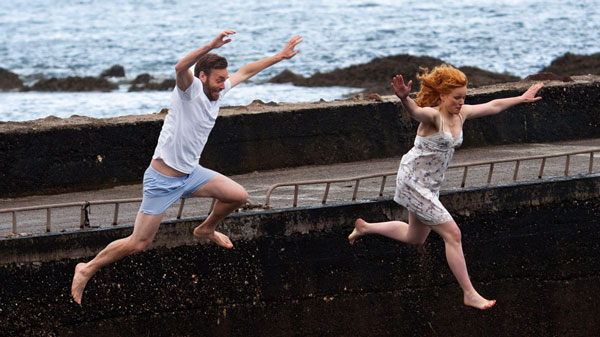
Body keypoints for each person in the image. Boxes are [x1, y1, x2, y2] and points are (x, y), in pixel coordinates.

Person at [71, 30, 303, 305]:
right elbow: (180, 67)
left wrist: (280, 56)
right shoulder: (188, 91)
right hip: (163, 179)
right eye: (218, 80)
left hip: (192, 174)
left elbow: (246, 71)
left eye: (224, 80)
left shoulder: (219, 89)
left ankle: (206, 229)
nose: (223, 85)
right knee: (139, 242)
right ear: (202, 76)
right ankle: (87, 268)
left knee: (238, 196)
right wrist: (209, 46)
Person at [348, 64, 543, 310]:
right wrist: (404, 99)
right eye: (456, 97)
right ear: (442, 96)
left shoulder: (462, 114)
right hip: (413, 182)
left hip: (429, 185)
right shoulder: (433, 117)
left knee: (415, 237)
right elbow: (416, 112)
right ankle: (469, 292)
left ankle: (365, 227)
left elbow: (493, 106)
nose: (461, 102)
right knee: (453, 234)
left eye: (463, 97)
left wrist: (521, 98)